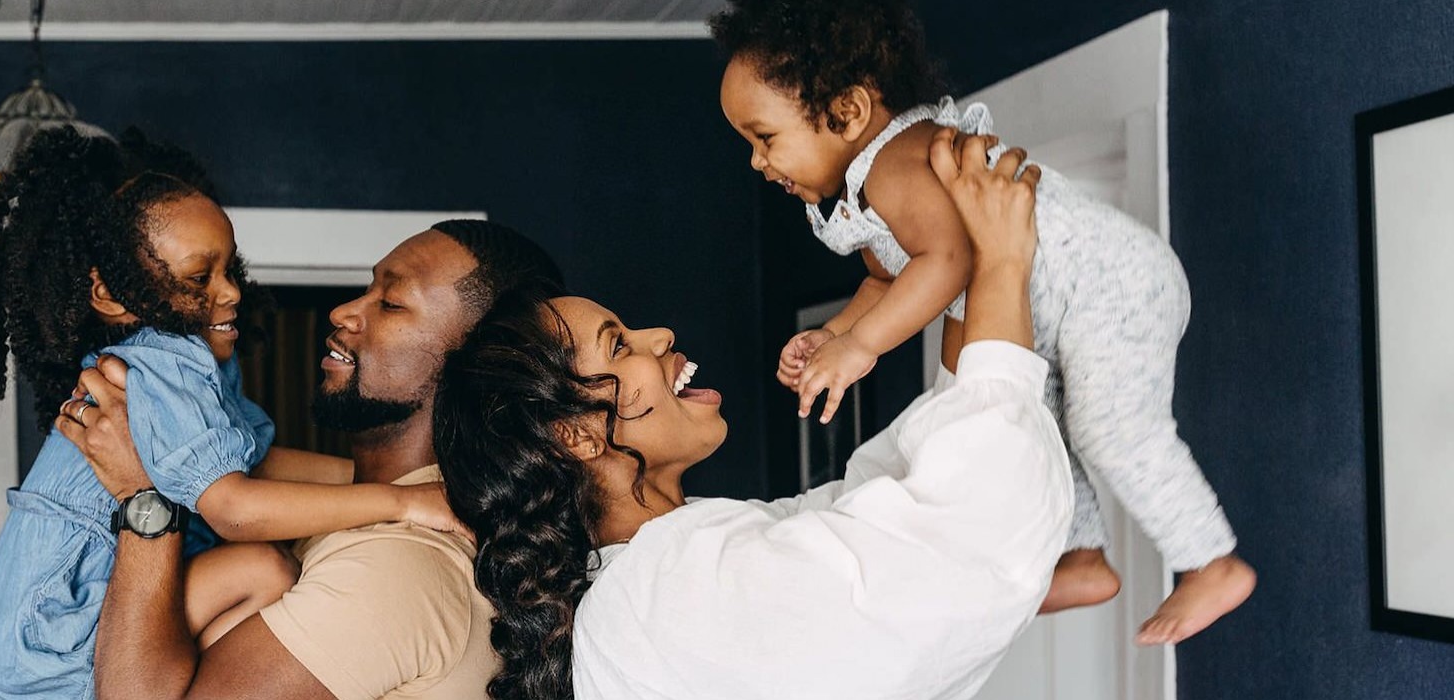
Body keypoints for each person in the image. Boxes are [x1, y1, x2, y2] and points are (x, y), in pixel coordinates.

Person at [435, 129, 1069, 700]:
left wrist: (964, 283)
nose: (659, 335)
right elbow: (971, 527)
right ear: (573, 434)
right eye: (619, 345)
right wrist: (1004, 261)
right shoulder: (661, 594)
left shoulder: (671, 569)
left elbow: (889, 494)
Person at [711, 0, 1254, 642]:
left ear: (848, 111)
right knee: (1035, 427)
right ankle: (1080, 557)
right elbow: (889, 278)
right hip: (1052, 308)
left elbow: (947, 260)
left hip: (1109, 282)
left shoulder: (898, 161)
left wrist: (861, 346)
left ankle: (1209, 560)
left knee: (1109, 428)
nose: (756, 161)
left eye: (764, 138)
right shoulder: (866, 187)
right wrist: (834, 335)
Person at [0, 127, 467, 699]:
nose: (230, 292)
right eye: (198, 278)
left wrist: (419, 485)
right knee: (262, 568)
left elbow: (258, 462)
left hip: (28, 652)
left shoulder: (193, 363)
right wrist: (402, 502)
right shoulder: (159, 364)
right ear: (110, 296)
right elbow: (233, 507)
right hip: (51, 650)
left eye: (231, 269)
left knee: (262, 570)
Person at [61, 221, 567, 699]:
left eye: (390, 303)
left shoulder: (392, 567)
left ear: (477, 363)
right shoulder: (383, 510)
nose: (344, 311)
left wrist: (143, 493)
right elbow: (253, 471)